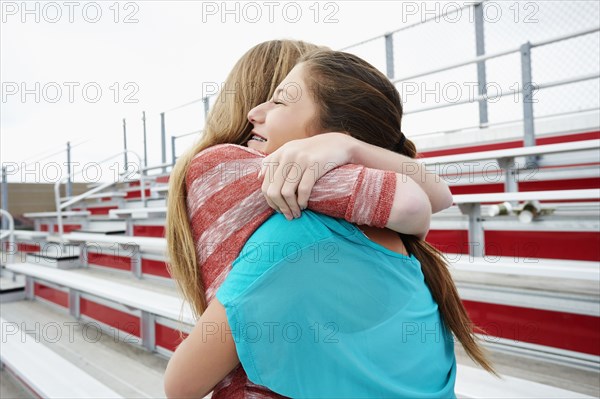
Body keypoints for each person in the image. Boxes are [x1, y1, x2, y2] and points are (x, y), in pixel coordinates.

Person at [164, 42, 459, 399]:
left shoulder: (291, 232)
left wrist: (343, 145)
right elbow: (430, 200)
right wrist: (348, 147)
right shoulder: (400, 245)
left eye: (281, 100)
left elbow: (181, 385)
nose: (255, 113)